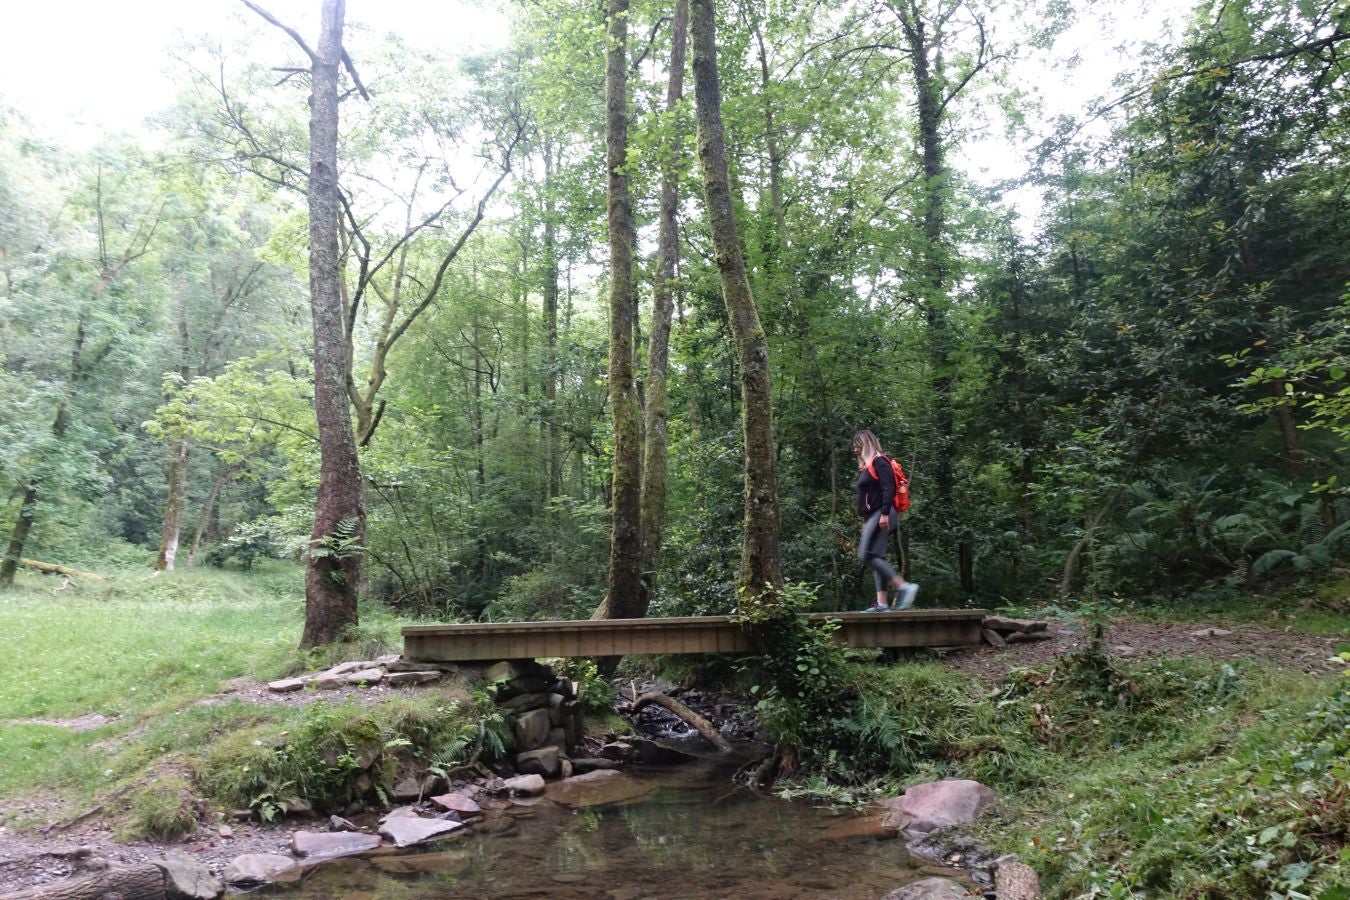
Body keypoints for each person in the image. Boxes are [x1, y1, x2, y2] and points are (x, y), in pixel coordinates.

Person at [853, 429, 918, 612]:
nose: (855, 450)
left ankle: (903, 586)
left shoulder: (880, 461)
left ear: (866, 443)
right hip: (874, 515)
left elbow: (889, 488)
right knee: (877, 556)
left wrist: (884, 513)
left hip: (882, 513)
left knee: (865, 554)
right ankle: (882, 603)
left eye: (858, 445)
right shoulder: (867, 467)